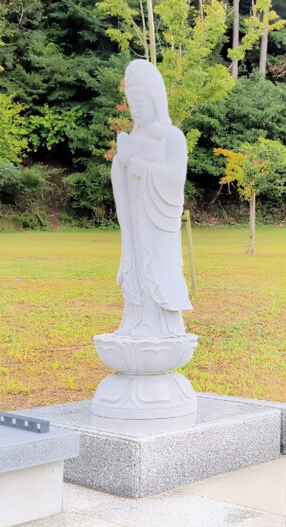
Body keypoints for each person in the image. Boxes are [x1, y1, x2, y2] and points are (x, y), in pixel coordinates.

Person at [111, 60, 192, 338]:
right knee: (135, 260)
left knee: (155, 262)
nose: (136, 109)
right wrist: (121, 163)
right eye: (132, 104)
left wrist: (140, 168)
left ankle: (159, 321)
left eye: (141, 103)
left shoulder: (171, 137)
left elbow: (176, 178)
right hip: (135, 213)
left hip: (157, 217)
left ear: (156, 101)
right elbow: (122, 173)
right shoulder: (133, 137)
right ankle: (135, 317)